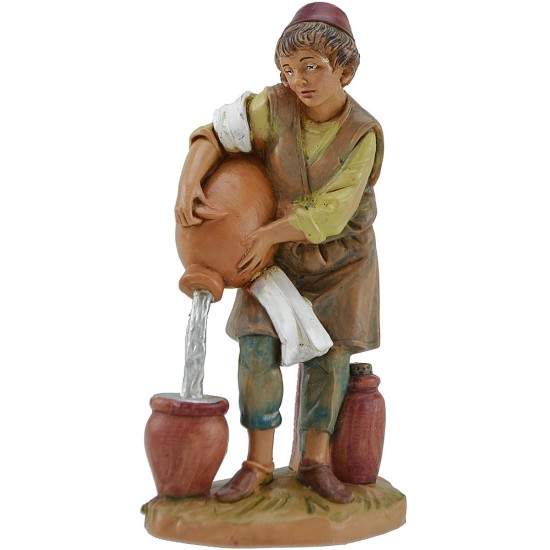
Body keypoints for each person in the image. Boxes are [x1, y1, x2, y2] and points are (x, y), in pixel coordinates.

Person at [174, 2, 384, 504]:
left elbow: (332, 211)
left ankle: (315, 461)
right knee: (256, 348)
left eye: (311, 67)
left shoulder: (363, 134)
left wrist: (269, 234)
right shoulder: (275, 106)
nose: (298, 81)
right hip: (274, 260)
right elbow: (220, 131)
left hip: (341, 261)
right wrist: (190, 176)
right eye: (288, 70)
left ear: (344, 70)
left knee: (330, 360)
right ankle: (258, 462)